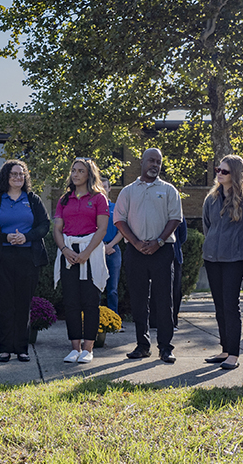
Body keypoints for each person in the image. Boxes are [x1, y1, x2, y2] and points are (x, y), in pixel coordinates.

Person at [114, 149, 182, 364]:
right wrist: (135, 242)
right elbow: (119, 219)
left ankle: (165, 347)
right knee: (138, 300)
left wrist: (159, 242)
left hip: (162, 250)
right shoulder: (128, 191)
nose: (155, 165)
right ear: (142, 162)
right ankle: (142, 346)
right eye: (151, 160)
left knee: (164, 300)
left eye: (159, 162)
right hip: (136, 251)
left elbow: (175, 218)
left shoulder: (169, 190)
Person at [201, 155, 243, 370]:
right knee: (219, 306)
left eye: (224, 171)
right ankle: (225, 350)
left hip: (234, 259)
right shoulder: (211, 198)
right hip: (212, 258)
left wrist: (240, 249)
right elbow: (207, 226)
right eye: (218, 169)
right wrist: (212, 246)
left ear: (235, 174)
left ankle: (234, 354)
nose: (219, 173)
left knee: (230, 305)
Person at [0, 159, 51, 363]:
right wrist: (6, 237)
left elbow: (44, 225)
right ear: (6, 177)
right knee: (6, 304)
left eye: (21, 174)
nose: (18, 177)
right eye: (14, 174)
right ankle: (5, 349)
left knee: (23, 304)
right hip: (2, 258)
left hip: (27, 258)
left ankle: (22, 349)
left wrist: (27, 237)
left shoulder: (33, 199)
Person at [52, 157, 109, 364]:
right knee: (71, 302)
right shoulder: (64, 199)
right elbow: (57, 229)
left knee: (90, 302)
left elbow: (102, 228)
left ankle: (88, 349)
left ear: (89, 174)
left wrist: (86, 253)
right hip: (68, 255)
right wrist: (65, 249)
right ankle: (74, 348)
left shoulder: (98, 198)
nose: (75, 174)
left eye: (80, 171)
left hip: (90, 254)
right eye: (73, 171)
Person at [100, 178, 124, 313]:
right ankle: (95, 321)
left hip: (113, 250)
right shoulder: (94, 208)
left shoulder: (116, 208)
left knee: (112, 289)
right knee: (95, 288)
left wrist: (110, 246)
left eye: (105, 186)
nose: (103, 189)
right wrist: (101, 247)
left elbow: (122, 230)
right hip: (96, 249)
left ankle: (114, 320)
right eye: (100, 186)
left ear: (109, 189)